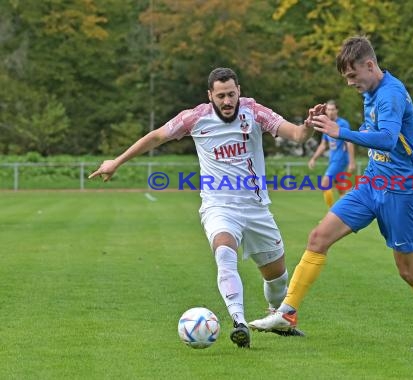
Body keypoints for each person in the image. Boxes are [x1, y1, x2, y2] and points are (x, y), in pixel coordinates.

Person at [249, 36, 413, 346]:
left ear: (370, 65)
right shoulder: (371, 92)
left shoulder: (390, 95)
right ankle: (287, 312)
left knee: (407, 269)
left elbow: (389, 139)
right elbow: (373, 134)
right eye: (346, 78)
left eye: (353, 76)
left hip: (401, 191)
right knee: (318, 237)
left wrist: (342, 132)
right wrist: (322, 123)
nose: (350, 83)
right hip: (372, 184)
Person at [89, 67, 322, 348]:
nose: (227, 101)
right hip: (218, 206)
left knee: (277, 279)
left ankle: (278, 318)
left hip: (256, 208)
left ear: (240, 91)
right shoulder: (195, 117)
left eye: (231, 94)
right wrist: (116, 161)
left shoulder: (255, 112)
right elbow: (156, 137)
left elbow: (297, 135)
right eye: (221, 95)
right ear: (210, 95)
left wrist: (308, 125)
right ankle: (238, 321)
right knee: (225, 252)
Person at [308, 100, 355, 208]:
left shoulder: (343, 123)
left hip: (340, 160)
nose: (330, 112)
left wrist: (352, 162)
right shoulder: (326, 125)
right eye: (328, 109)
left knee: (325, 184)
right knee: (342, 190)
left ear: (337, 110)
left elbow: (349, 141)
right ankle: (347, 213)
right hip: (333, 160)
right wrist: (314, 158)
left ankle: (331, 214)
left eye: (333, 109)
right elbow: (323, 145)